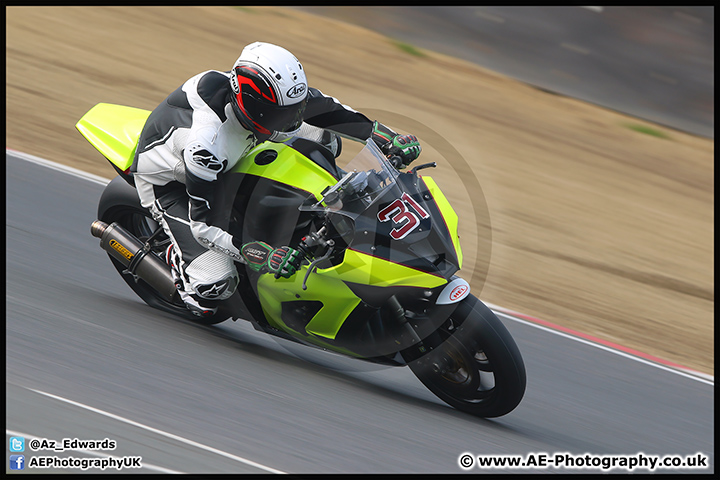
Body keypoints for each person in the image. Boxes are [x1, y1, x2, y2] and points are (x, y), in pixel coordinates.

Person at [131, 41, 422, 318]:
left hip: (238, 146)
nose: (292, 118)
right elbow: (205, 227)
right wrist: (262, 254)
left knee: (326, 140)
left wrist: (386, 137)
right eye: (281, 113)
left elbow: (328, 111)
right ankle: (178, 262)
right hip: (173, 182)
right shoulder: (206, 145)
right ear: (252, 103)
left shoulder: (272, 98)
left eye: (295, 109)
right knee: (212, 288)